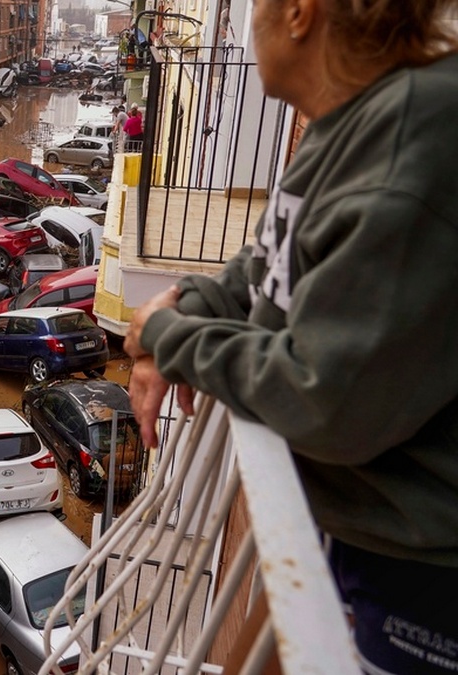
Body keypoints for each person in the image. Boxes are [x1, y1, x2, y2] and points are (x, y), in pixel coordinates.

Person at [123, 1, 458, 673]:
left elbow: (326, 399)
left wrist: (168, 334)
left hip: (423, 578)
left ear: (300, 13)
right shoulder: (352, 122)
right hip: (363, 527)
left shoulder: (410, 143)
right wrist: (186, 307)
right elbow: (264, 266)